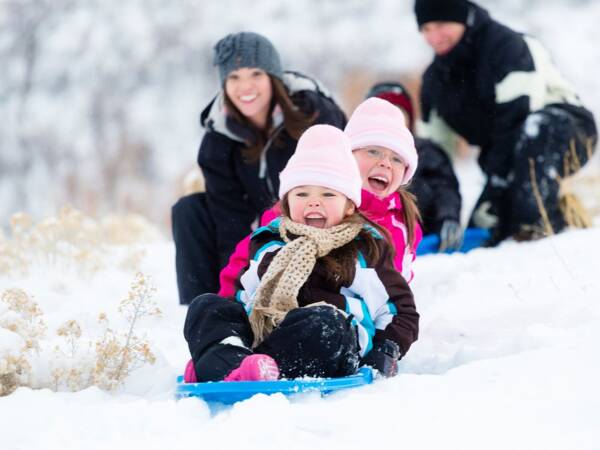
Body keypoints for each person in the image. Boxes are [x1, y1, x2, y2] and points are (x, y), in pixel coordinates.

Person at [183, 125, 419, 382]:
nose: (313, 202)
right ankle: (231, 361)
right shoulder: (268, 242)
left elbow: (400, 311)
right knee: (206, 305)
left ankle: (233, 366)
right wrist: (223, 327)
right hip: (263, 333)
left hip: (329, 344)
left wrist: (386, 351)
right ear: (287, 202)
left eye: (328, 194)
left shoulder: (366, 248)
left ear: (349, 205)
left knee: (326, 323)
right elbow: (242, 294)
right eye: (302, 193)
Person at [172, 31, 347, 305]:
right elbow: (228, 217)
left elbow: (344, 181)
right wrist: (233, 288)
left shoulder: (314, 113)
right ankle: (204, 307)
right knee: (189, 210)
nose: (245, 87)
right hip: (259, 224)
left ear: (272, 77)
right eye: (234, 77)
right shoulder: (218, 138)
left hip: (318, 217)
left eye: (255, 74)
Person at [414, 0, 597, 244]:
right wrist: (439, 213)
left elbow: (517, 118)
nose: (433, 36)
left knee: (526, 204)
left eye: (441, 24)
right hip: (503, 155)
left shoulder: (505, 46)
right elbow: (434, 156)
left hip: (563, 129)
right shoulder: (434, 82)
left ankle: (547, 236)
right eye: (425, 29)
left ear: (462, 18)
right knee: (485, 227)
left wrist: (496, 186)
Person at [218, 97, 423, 298]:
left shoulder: (404, 220)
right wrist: (229, 300)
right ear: (348, 156)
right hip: (289, 303)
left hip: (354, 316)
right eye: (373, 151)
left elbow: (399, 286)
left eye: (396, 158)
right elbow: (249, 255)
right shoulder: (310, 201)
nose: (386, 163)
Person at [366, 81, 463, 250]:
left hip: (422, 240)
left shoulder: (426, 151)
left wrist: (447, 216)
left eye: (399, 115)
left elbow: (445, 188)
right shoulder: (356, 154)